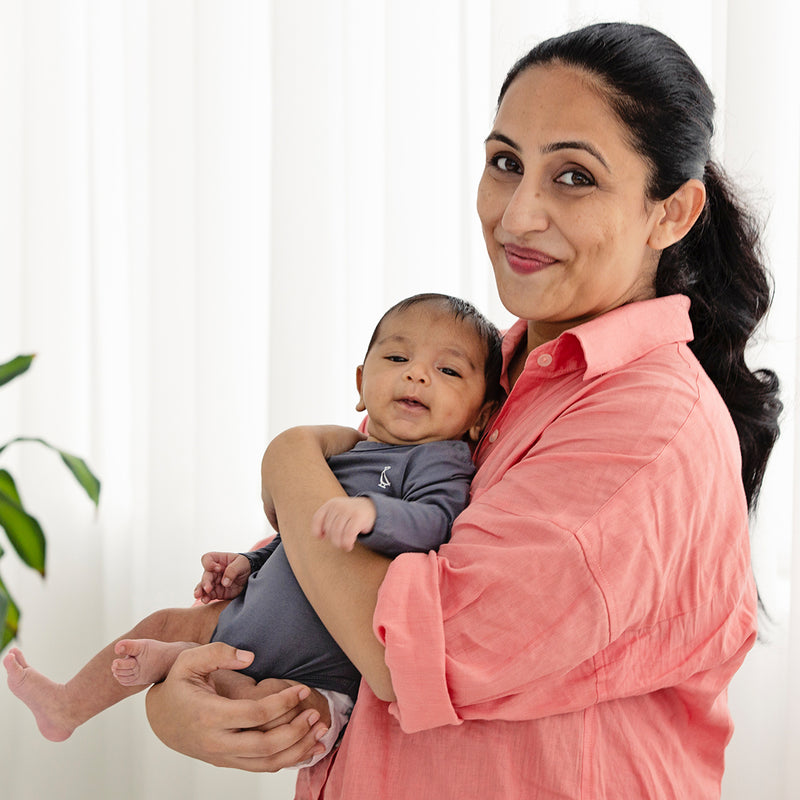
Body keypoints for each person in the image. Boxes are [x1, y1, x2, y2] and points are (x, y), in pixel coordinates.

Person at [144, 21, 783, 798]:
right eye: (505, 163)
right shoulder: (496, 374)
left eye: (574, 177)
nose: (516, 215)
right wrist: (184, 692)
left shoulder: (648, 426)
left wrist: (286, 458)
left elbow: (411, 646)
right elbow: (311, 582)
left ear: (673, 214)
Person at [3, 292, 502, 765]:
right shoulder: (342, 452)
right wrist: (249, 563)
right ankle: (66, 706)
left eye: (448, 369)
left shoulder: (439, 460)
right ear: (359, 384)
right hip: (243, 621)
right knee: (162, 621)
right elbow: (296, 538)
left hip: (318, 668)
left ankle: (180, 661)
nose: (416, 375)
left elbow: (438, 520)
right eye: (397, 359)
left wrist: (374, 514)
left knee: (277, 710)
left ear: (480, 418)